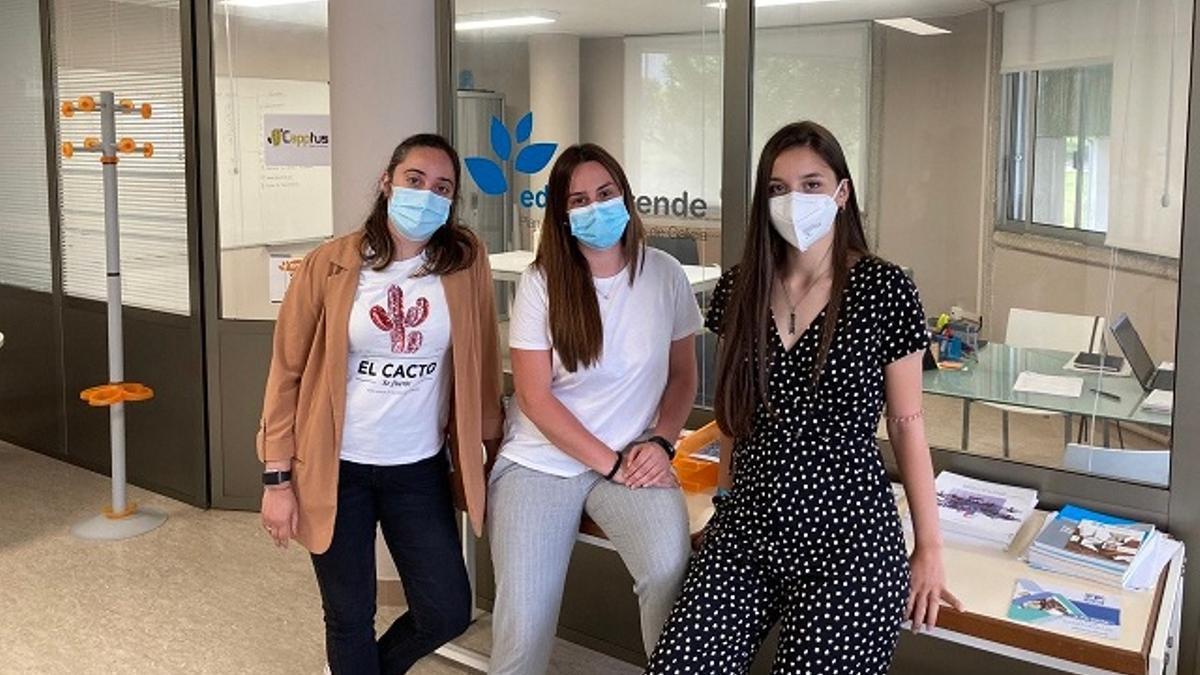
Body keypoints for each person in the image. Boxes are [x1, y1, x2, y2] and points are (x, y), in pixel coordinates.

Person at [647, 121, 960, 674]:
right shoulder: (739, 288)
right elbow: (733, 415)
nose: (795, 200)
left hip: (849, 536)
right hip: (748, 526)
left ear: (841, 194)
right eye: (778, 188)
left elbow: (908, 422)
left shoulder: (884, 290)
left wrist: (929, 548)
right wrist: (722, 504)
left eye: (811, 184)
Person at [257, 134, 504, 674]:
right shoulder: (329, 264)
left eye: (442, 188)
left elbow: (482, 357)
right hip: (336, 468)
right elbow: (286, 373)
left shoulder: (465, 262)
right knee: (348, 617)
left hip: (417, 469)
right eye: (415, 180)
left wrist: (491, 444)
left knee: (446, 610)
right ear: (386, 182)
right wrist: (277, 480)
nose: (427, 196)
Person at [487, 143, 702, 674]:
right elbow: (535, 397)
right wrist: (609, 463)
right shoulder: (542, 284)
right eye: (579, 199)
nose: (596, 208)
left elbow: (683, 376)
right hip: (543, 463)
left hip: (632, 456)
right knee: (526, 621)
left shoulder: (666, 274)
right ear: (562, 215)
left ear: (625, 196)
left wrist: (661, 440)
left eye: (605, 194)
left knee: (669, 572)